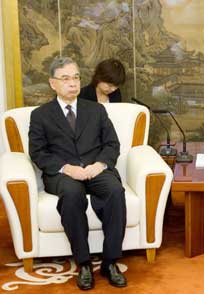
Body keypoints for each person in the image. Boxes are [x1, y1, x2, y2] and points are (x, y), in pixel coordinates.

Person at [29, 57, 127, 290]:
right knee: (72, 195)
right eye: (65, 78)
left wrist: (100, 164)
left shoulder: (96, 110)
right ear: (53, 83)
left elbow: (112, 144)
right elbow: (38, 153)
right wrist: (67, 168)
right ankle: (83, 263)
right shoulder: (40, 115)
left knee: (115, 190)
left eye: (76, 77)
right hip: (63, 174)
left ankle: (110, 261)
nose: (72, 83)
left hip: (95, 168)